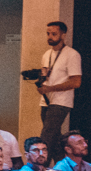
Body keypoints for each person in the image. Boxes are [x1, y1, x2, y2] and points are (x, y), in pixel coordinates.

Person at [34, 19, 81, 150]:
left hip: (61, 102)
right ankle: (62, 165)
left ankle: (40, 166)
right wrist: (41, 79)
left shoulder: (72, 55)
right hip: (46, 100)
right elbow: (47, 77)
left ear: (63, 35)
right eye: (48, 33)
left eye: (54, 34)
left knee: (47, 136)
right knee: (54, 138)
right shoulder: (47, 54)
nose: (50, 37)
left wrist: (51, 88)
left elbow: (76, 82)